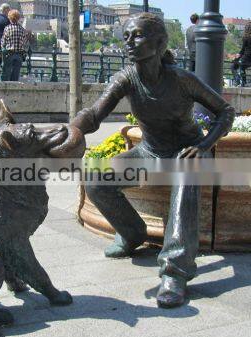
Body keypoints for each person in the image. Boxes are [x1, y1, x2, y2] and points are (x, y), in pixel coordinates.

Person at [71, 13, 234, 308]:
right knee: (95, 178)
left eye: (138, 36)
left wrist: (205, 144)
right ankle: (133, 234)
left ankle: (175, 272)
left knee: (186, 175)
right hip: (150, 152)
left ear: (159, 43)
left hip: (188, 151)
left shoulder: (183, 80)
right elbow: (95, 115)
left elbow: (225, 112)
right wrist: (71, 130)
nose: (130, 43)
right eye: (126, 37)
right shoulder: (126, 78)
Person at [0, 9, 27, 81]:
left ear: (10, 18)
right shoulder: (22, 29)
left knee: (6, 74)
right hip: (19, 55)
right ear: (18, 18)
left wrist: (3, 49)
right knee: (15, 76)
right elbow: (24, 42)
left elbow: (3, 42)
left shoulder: (7, 28)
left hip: (10, 54)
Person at [231, 22, 251, 87]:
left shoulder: (246, 38)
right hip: (248, 60)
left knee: (233, 66)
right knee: (242, 67)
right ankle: (243, 82)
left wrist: (236, 57)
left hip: (246, 58)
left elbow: (242, 51)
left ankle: (237, 81)